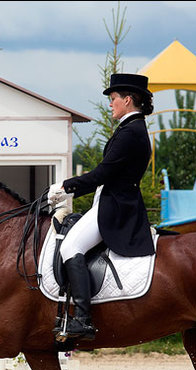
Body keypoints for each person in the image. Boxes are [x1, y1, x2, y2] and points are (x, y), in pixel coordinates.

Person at [48, 73, 155, 341]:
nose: (111, 104)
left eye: (114, 99)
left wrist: (64, 187)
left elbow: (101, 174)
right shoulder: (131, 129)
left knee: (71, 247)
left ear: (128, 100)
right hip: (108, 201)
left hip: (115, 208)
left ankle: (83, 319)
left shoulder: (131, 133)